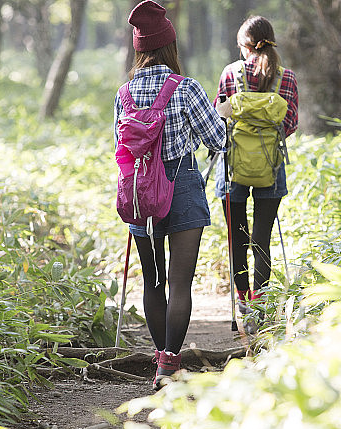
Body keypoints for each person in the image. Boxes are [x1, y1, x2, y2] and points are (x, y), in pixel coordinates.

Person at [115, 0, 226, 389]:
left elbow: (121, 144)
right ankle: (168, 365)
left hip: (139, 193)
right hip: (180, 187)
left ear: (139, 48)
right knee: (180, 282)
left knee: (152, 281)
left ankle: (158, 351)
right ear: (169, 46)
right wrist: (219, 118)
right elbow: (218, 139)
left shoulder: (124, 93)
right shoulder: (187, 87)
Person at [214, 15, 298, 334]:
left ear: (245, 47)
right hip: (271, 167)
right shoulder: (285, 77)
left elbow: (218, 114)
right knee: (262, 239)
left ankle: (243, 303)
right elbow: (291, 122)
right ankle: (261, 313)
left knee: (238, 237)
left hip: (233, 167)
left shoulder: (230, 74)